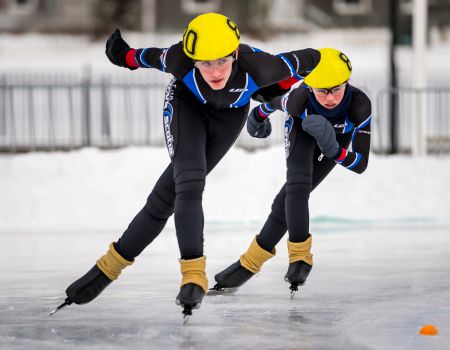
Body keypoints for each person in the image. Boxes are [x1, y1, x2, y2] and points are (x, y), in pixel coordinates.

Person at [55, 12, 321, 316]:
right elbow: (149, 57)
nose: (215, 70)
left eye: (221, 60)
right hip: (186, 106)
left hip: (229, 116)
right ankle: (193, 276)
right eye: (205, 63)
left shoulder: (263, 66)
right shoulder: (179, 59)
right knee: (190, 183)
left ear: (235, 53)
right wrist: (123, 56)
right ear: (193, 60)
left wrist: (281, 90)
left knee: (164, 199)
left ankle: (106, 269)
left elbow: (314, 59)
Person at [212, 48, 372, 295]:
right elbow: (275, 101)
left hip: (336, 142)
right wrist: (258, 116)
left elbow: (360, 164)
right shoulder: (300, 100)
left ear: (347, 84)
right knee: (297, 186)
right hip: (302, 129)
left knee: (285, 201)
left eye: (337, 89)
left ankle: (249, 264)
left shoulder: (360, 105)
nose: (330, 98)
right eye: (322, 91)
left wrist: (334, 150)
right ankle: (300, 258)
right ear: (310, 88)